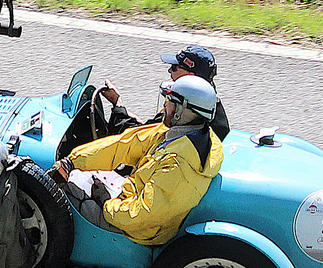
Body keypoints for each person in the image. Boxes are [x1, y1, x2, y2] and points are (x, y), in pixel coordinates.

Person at [52, 75, 224, 246]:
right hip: (131, 199)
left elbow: (143, 215)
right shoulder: (186, 134)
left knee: (62, 192)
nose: (165, 105)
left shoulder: (178, 165)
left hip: (140, 230)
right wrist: (72, 161)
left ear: (182, 111)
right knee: (79, 172)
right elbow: (125, 145)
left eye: (170, 101)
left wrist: (107, 204)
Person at [96, 43, 230, 139]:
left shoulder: (183, 109)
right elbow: (152, 128)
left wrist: (118, 105)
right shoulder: (208, 105)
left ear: (190, 76)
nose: (170, 71)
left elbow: (133, 136)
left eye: (175, 67)